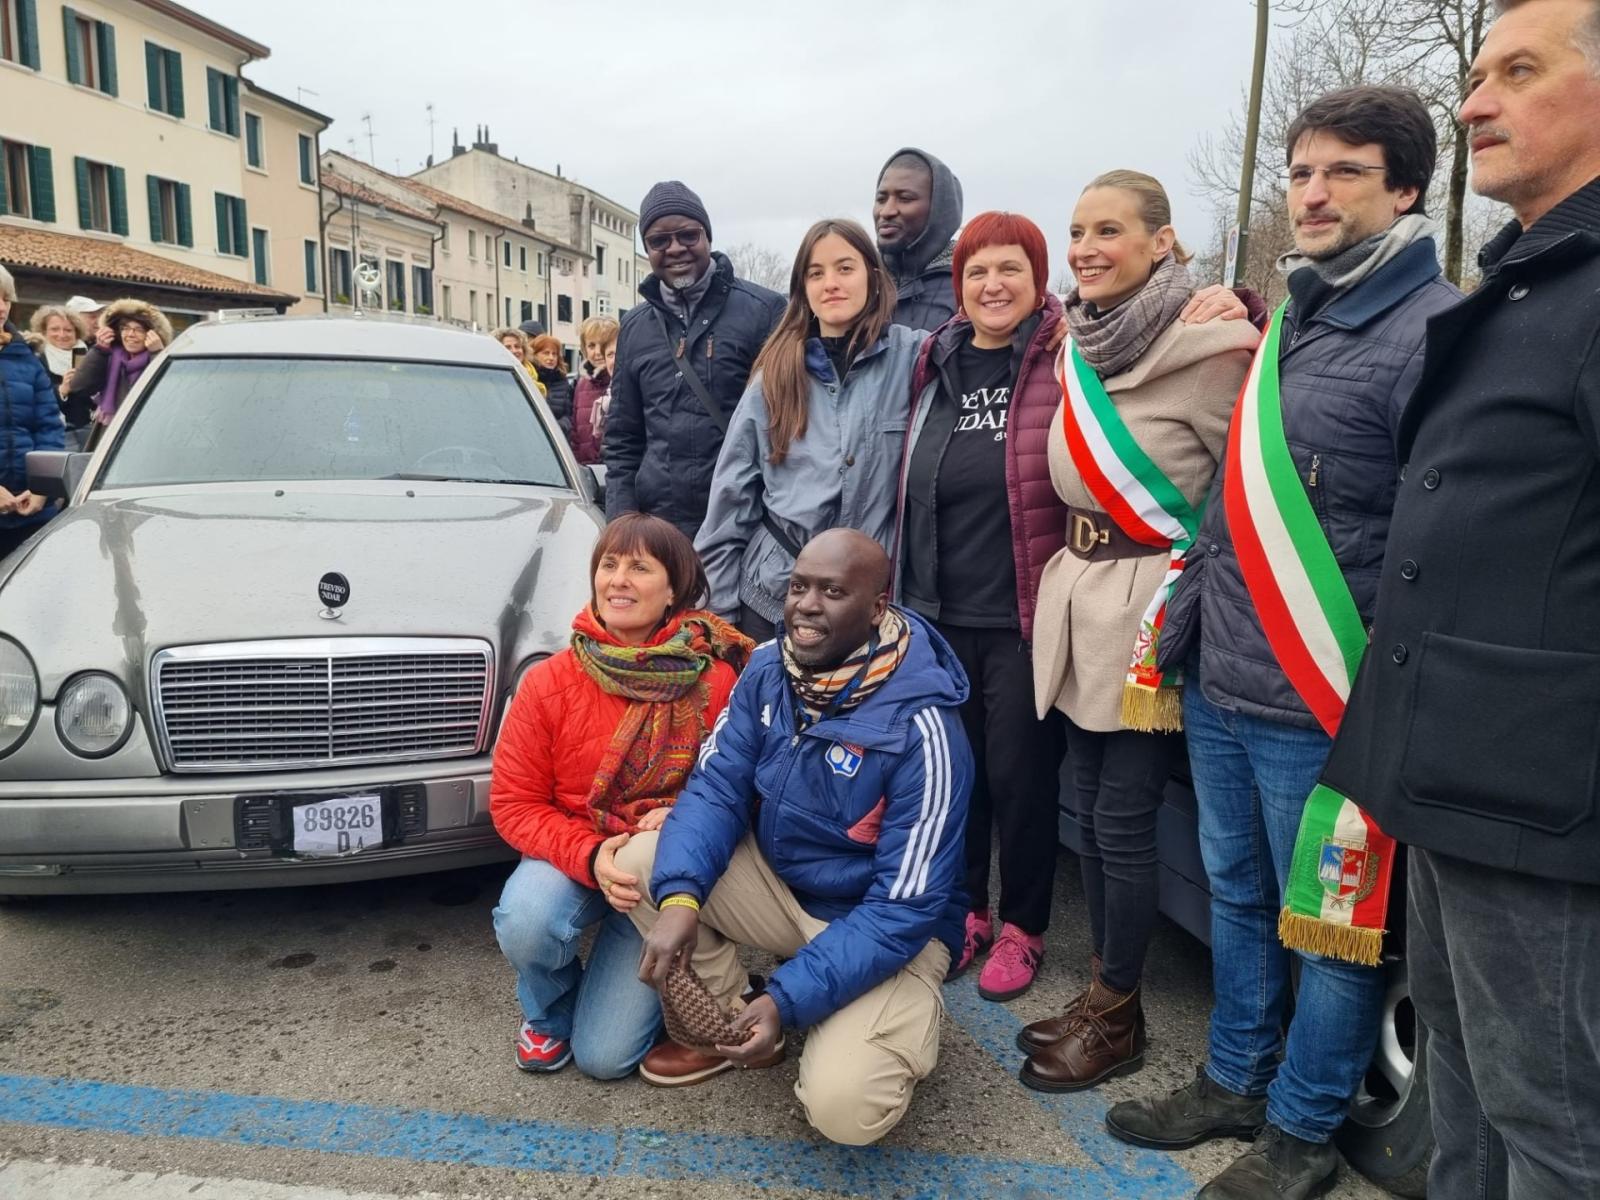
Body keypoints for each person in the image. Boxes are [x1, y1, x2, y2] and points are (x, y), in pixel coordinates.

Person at [1105, 86, 1459, 1200]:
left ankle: (1302, 1133)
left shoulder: (1434, 331)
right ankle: (1235, 1079)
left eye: (1344, 171)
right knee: (1238, 897)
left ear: (1407, 189)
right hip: (1223, 675)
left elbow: (1431, 539)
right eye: (1300, 171)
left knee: (1327, 925)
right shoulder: (1295, 316)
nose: (1311, 192)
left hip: (1324, 693)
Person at [1320, 3, 1600, 1195]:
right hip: (1451, 779)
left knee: (1554, 1123)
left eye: (1518, 71)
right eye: (1475, 74)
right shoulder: (1530, 279)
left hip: (1541, 799)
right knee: (1466, 1087)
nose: (1473, 101)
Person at [1017, 172, 1260, 1093]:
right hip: (1081, 598)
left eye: (1108, 230)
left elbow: (1249, 490)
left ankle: (1119, 1015)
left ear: (1162, 243)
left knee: (1122, 822)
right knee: (1089, 810)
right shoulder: (1080, 343)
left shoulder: (1212, 348)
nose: (1084, 248)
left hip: (1150, 612)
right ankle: (1104, 992)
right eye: (1077, 230)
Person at [615, 528, 972, 1146]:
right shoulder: (766, 667)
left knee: (845, 1111)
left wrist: (786, 997)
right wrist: (679, 899)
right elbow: (716, 788)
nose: (806, 605)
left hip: (879, 923)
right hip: (784, 891)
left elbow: (902, 910)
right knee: (643, 860)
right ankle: (734, 1026)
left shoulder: (924, 728)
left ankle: (889, 1015)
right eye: (799, 586)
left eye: (832, 592)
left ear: (876, 608)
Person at [489, 513, 752, 1079]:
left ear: (674, 589)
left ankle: (647, 961)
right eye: (608, 565)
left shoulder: (716, 682)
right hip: (579, 851)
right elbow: (514, 803)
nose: (618, 580)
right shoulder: (549, 681)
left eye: (640, 567)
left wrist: (681, 813)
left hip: (658, 872)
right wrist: (591, 855)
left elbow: (739, 788)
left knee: (605, 1059)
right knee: (528, 917)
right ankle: (549, 1014)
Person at [891, 211, 1069, 1002]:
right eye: (977, 272)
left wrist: (1234, 301)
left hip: (1023, 614)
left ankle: (1024, 926)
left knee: (1021, 779)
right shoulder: (934, 363)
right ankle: (965, 911)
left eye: (1010, 269)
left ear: (1038, 280)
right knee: (955, 777)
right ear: (958, 285)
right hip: (939, 613)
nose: (993, 285)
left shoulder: (1065, 358)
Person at [696, 219, 922, 643]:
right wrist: (717, 621)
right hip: (775, 598)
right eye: (816, 273)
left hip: (872, 607)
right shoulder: (775, 377)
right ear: (803, 288)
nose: (830, 283)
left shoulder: (914, 357)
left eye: (845, 268)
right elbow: (729, 501)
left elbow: (983, 339)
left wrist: (1050, 324)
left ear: (873, 277)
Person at [604, 181, 785, 541]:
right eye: (659, 241)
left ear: (708, 237)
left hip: (745, 524)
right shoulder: (635, 327)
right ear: (647, 249)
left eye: (688, 235)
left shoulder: (765, 311)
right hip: (661, 532)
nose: (675, 248)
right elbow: (623, 440)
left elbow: (788, 426)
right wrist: (622, 525)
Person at [0, 265, 66, 560]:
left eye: (6, 298)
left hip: (31, 514)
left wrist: (43, 488)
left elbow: (49, 426)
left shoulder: (26, 358)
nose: (2, 307)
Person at [874, 148, 964, 331]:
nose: (886, 211)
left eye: (905, 198)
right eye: (881, 199)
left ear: (938, 208)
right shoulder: (859, 282)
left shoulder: (969, 288)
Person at [72, 297, 171, 450]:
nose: (130, 334)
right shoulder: (108, 356)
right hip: (110, 436)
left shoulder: (161, 358)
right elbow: (79, 387)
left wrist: (157, 354)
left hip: (148, 438)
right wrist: (100, 350)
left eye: (139, 329)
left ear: (153, 334)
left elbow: (167, 396)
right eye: (125, 328)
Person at [27, 305, 94, 452]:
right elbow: (32, 398)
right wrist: (62, 390)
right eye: (54, 329)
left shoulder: (90, 355)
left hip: (88, 429)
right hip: (54, 433)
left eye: (68, 330)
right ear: (44, 331)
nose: (62, 334)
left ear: (77, 332)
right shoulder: (35, 358)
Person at [572, 316, 618, 466]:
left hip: (617, 469)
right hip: (587, 469)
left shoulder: (625, 381)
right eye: (591, 346)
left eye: (603, 345)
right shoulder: (582, 384)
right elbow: (575, 435)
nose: (598, 352)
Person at [529, 334, 574, 438]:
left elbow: (570, 415)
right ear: (534, 355)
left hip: (557, 438)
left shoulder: (562, 382)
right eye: (546, 353)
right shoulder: (529, 378)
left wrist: (560, 426)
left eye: (554, 354)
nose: (551, 358)